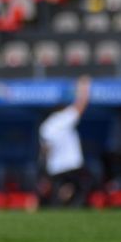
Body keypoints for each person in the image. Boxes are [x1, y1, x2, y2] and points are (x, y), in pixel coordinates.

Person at [40, 75, 91, 207]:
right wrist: (84, 87)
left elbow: (45, 149)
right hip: (70, 163)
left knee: (62, 191)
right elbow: (81, 105)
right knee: (75, 191)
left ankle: (61, 203)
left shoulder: (45, 126)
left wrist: (45, 166)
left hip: (55, 167)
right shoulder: (62, 118)